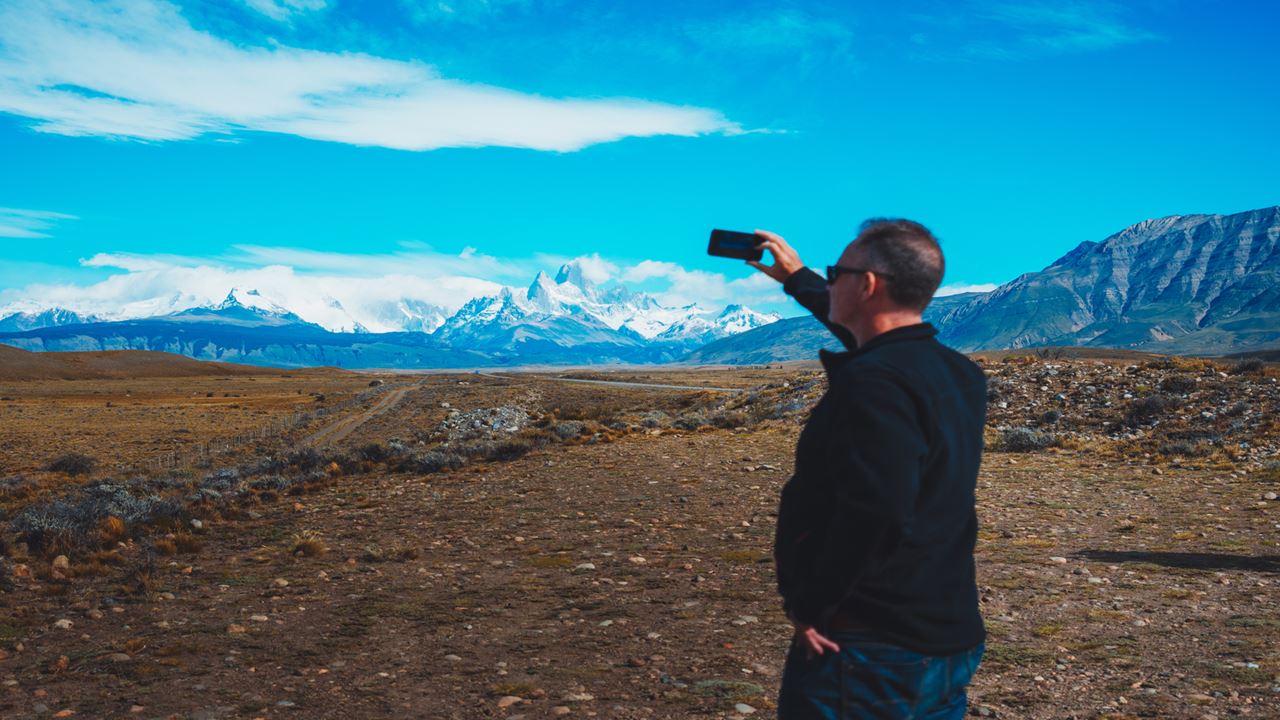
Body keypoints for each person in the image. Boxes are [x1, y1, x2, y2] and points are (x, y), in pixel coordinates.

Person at [748, 219, 987, 719]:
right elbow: (880, 338)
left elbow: (877, 511)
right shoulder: (957, 372)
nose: (830, 282)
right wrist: (797, 278)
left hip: (869, 644)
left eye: (836, 274)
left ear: (868, 285)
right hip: (948, 631)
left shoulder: (874, 382)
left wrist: (811, 605)